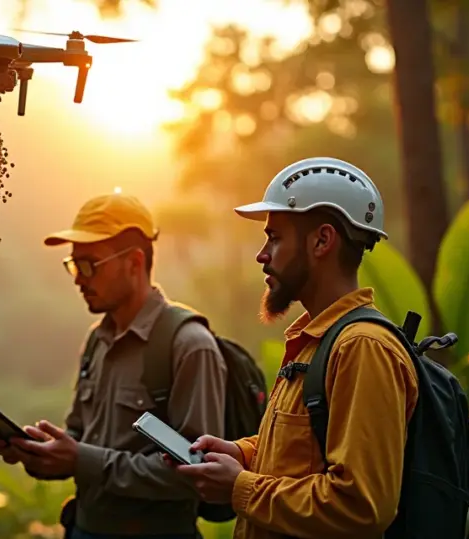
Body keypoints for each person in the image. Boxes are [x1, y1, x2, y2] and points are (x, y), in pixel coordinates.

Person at [170, 157, 419, 539]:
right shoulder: (315, 341)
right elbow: (307, 450)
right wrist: (242, 454)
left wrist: (239, 487)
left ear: (322, 241)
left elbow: (361, 505)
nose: (262, 254)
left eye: (275, 237)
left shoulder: (362, 349)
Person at [0, 193, 229, 539]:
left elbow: (196, 473)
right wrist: (36, 452)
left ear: (133, 262)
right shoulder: (98, 340)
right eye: (73, 265)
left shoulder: (188, 345)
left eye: (89, 265)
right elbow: (79, 436)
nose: (78, 279)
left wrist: (80, 459)